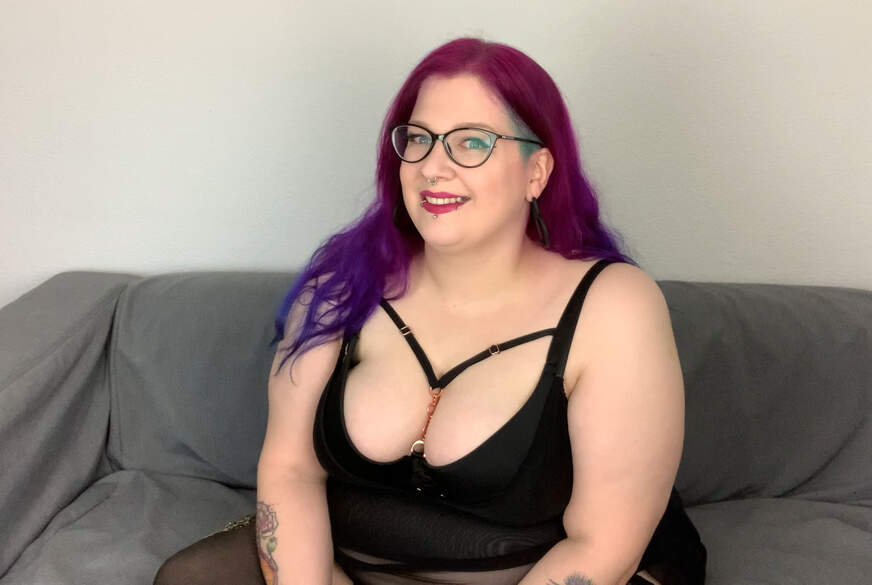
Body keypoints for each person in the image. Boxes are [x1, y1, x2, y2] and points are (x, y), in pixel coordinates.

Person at [153, 37, 707, 585]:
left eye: (471, 143)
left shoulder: (613, 307)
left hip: (541, 574)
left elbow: (602, 545)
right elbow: (290, 469)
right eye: (418, 139)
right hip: (351, 565)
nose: (432, 167)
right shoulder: (341, 286)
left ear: (536, 172)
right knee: (189, 579)